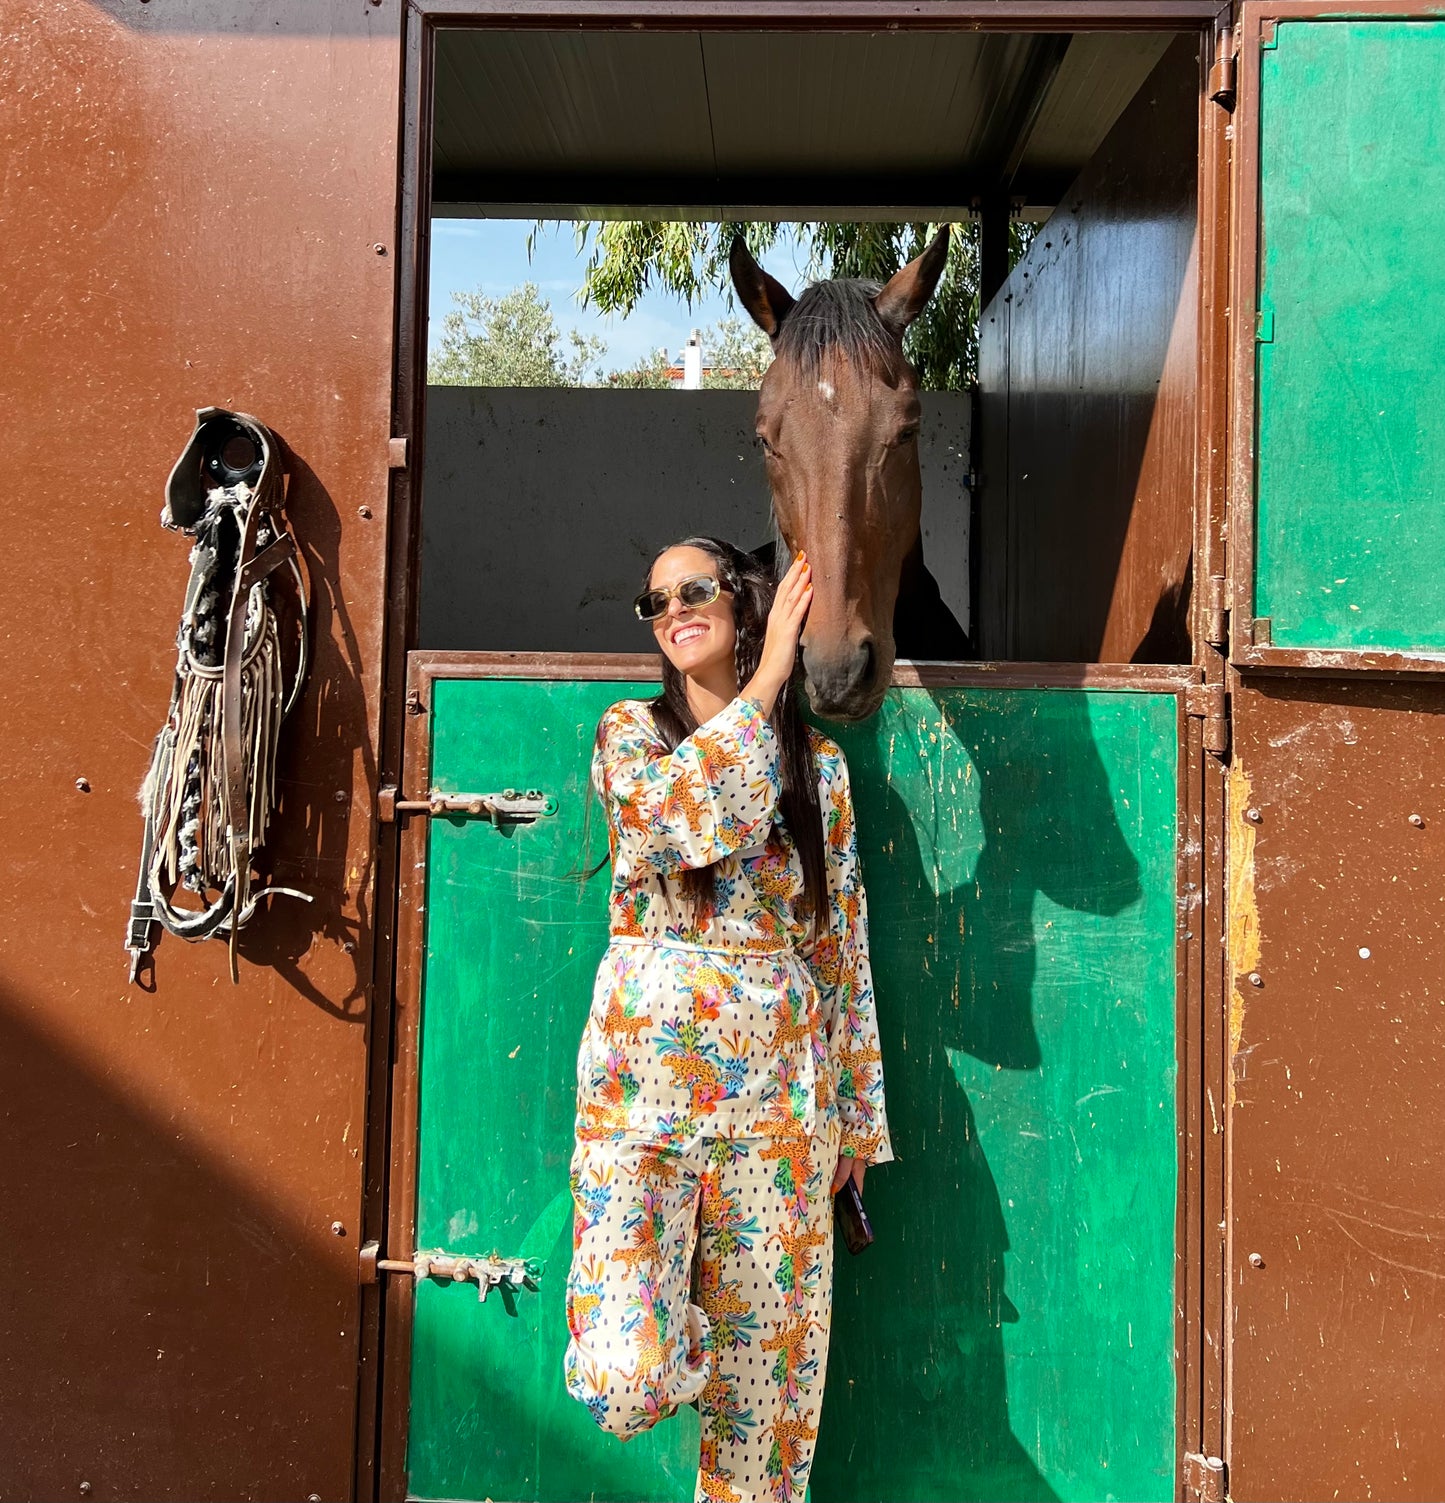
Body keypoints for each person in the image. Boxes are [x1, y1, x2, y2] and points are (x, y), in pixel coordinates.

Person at [563, 536, 891, 1503]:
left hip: (780, 1110)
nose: (673, 609)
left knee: (764, 1431)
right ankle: (688, 1330)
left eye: (694, 589)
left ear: (743, 603)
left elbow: (838, 945)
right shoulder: (629, 735)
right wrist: (769, 684)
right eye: (655, 600)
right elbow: (672, 824)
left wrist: (857, 1120)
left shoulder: (819, 771)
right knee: (625, 1378)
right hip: (642, 1104)